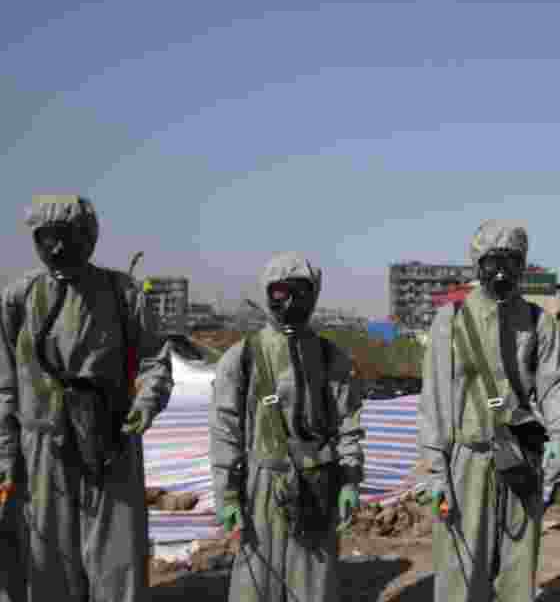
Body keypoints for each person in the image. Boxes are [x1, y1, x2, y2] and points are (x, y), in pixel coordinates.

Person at [0, 194, 174, 602]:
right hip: (42, 448)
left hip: (109, 440)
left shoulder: (122, 293)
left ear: (89, 235)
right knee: (48, 561)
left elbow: (155, 360)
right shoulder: (17, 299)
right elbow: (4, 386)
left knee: (117, 563)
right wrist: (7, 457)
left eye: (66, 236)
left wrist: (145, 403)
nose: (57, 247)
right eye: (46, 238)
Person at [417, 220, 560, 602]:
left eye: (511, 261)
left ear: (523, 266)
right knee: (461, 574)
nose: (501, 271)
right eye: (492, 262)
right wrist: (435, 470)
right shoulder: (450, 320)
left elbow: (555, 388)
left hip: (521, 457)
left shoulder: (539, 322)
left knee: (517, 573)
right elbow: (434, 398)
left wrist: (559, 438)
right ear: (477, 264)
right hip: (466, 462)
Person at [209, 252, 364, 602]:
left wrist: (350, 480)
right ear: (267, 293)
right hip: (260, 487)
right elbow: (224, 432)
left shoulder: (330, 358)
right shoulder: (241, 358)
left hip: (316, 485)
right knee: (255, 587)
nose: (291, 303)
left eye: (301, 293)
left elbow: (348, 424)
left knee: (312, 587)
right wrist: (228, 495)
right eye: (281, 293)